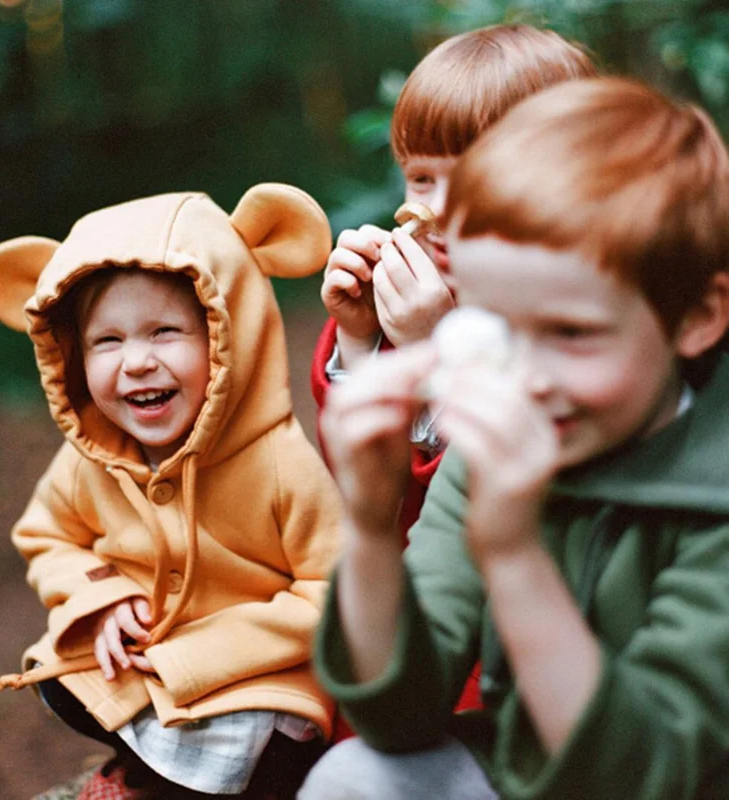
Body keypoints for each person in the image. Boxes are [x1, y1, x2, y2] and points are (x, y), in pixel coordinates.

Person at [298, 78, 729, 800]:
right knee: (355, 779)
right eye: (494, 324)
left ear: (695, 316)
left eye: (571, 333)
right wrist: (371, 527)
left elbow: (646, 774)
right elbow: (395, 713)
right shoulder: (489, 445)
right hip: (521, 768)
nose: (525, 376)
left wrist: (514, 555)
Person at [0, 184, 343, 800]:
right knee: (62, 680)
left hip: (254, 676)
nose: (137, 362)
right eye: (108, 341)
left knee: (257, 742)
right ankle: (147, 773)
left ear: (229, 337)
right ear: (70, 354)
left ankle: (166, 781)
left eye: (165, 331)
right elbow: (45, 535)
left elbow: (333, 590)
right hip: (147, 666)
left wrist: (210, 652)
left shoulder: (279, 465)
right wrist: (101, 598)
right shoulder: (90, 458)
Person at [313, 23, 598, 724]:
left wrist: (438, 354)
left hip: (524, 654)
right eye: (419, 177)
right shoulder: (397, 304)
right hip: (425, 624)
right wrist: (358, 345)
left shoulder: (582, 323)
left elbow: (495, 506)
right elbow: (374, 497)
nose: (433, 211)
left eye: (471, 181)